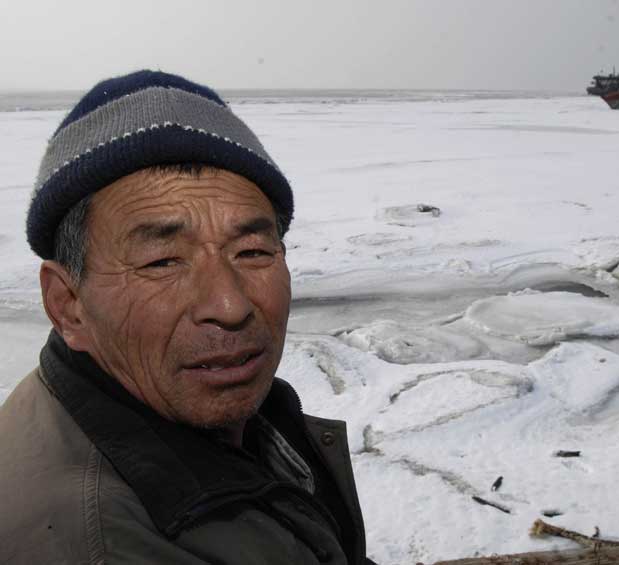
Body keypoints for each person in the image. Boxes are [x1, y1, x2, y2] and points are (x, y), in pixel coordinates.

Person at [0, 70, 374, 564]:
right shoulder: (105, 540)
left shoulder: (212, 415)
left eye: (253, 251)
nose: (229, 304)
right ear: (68, 305)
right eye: (162, 262)